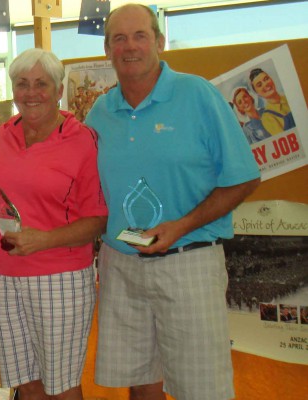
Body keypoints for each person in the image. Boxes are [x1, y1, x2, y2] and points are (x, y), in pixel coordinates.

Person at [85, 4, 261, 400]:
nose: (130, 46)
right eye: (119, 39)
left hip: (188, 260)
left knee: (201, 388)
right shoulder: (100, 112)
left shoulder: (197, 94)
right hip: (121, 263)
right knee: (141, 382)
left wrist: (181, 226)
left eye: (140, 35)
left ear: (159, 42)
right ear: (108, 50)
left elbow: (244, 177)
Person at [0, 48, 108, 400]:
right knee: (26, 384)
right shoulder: (3, 135)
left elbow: (98, 219)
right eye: (22, 84)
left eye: (42, 84)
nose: (31, 92)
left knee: (62, 386)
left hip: (60, 278)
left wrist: (44, 239)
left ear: (59, 90)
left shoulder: (82, 139)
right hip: (3, 276)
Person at [249, 67, 296, 136]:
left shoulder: (290, 97)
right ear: (257, 93)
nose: (265, 84)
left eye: (266, 79)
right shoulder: (267, 118)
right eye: (259, 85)